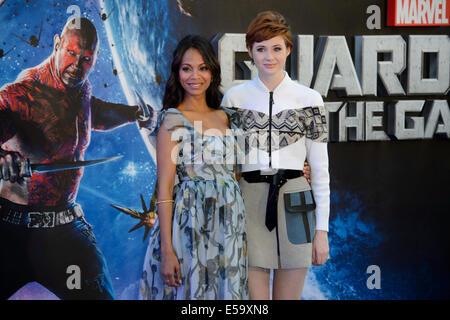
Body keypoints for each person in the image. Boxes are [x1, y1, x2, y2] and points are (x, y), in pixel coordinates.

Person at [0, 17, 150, 300]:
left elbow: (94, 113)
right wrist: (3, 157)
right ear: (57, 44)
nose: (77, 66)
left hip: (64, 228)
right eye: (71, 53)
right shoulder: (22, 94)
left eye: (86, 59)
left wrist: (133, 114)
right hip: (11, 229)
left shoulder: (80, 88)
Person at [221, 11, 330, 300]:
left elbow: (320, 171)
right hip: (248, 201)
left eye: (277, 48)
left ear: (289, 50)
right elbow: (225, 163)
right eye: (261, 49)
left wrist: (322, 231)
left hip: (297, 200)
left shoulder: (310, 99)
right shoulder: (233, 99)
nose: (269, 56)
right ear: (250, 52)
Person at [139, 35, 248, 300]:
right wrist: (167, 250)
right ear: (177, 72)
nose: (194, 76)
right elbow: (165, 188)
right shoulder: (171, 119)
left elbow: (239, 174)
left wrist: (297, 169)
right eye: (187, 68)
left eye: (202, 68)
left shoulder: (231, 118)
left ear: (212, 71)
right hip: (187, 229)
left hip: (229, 230)